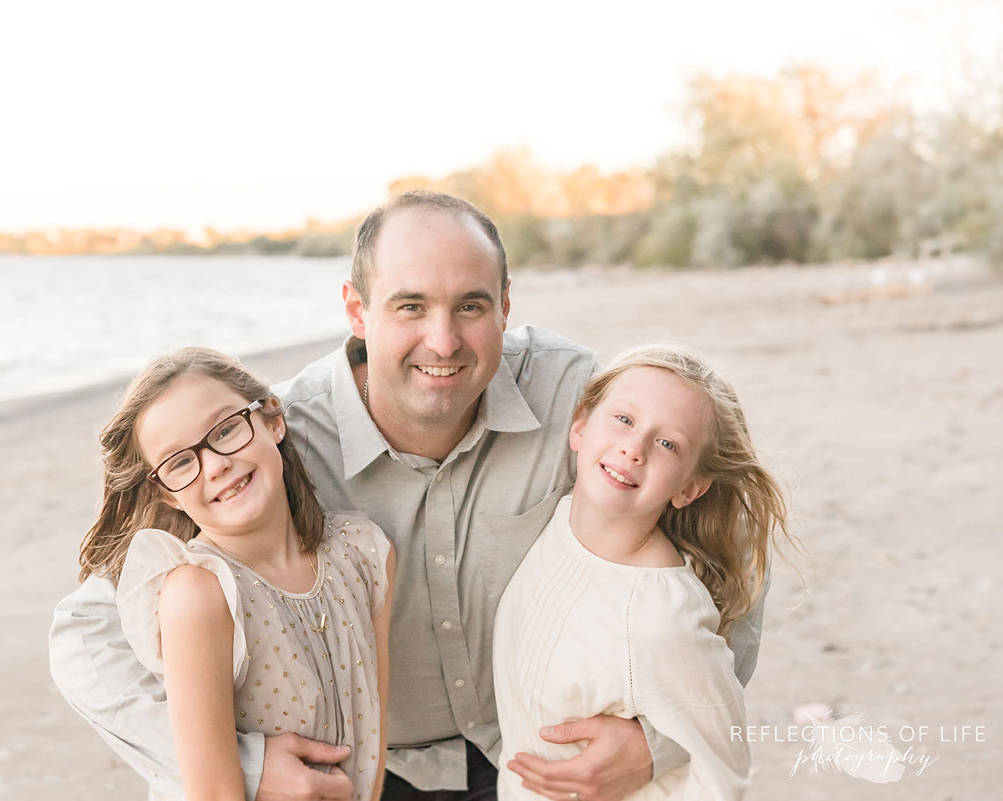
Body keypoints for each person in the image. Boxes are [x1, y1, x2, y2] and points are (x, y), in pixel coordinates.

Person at [49, 191, 767, 801]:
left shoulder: (570, 398)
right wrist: (243, 764)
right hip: (361, 775)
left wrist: (659, 738)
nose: (444, 339)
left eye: (472, 306)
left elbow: (724, 551)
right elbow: (84, 636)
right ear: (357, 310)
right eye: (411, 305)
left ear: (506, 307)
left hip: (544, 768)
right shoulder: (270, 450)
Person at [76, 347, 395, 801]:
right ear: (166, 494)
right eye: (181, 462)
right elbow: (214, 792)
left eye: (225, 430)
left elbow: (373, 736)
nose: (216, 464)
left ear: (272, 419)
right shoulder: (198, 592)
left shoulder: (366, 551)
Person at [495, 345, 790, 800]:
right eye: (625, 420)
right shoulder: (558, 518)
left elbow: (723, 778)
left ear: (689, 488)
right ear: (580, 426)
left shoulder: (662, 618)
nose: (633, 449)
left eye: (668, 443)